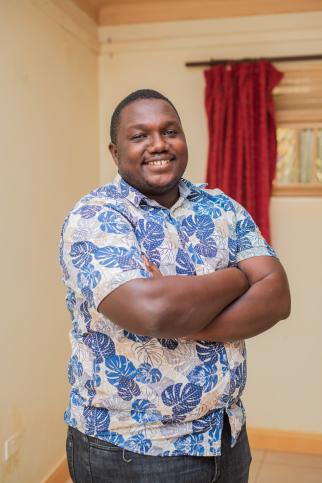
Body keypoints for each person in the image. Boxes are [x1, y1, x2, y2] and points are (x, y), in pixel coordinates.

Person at [60, 89, 290, 483]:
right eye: (140, 136)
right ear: (115, 153)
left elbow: (277, 296)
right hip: (133, 449)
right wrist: (237, 277)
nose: (158, 144)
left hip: (226, 437)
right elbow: (153, 312)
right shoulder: (96, 216)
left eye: (170, 131)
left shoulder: (222, 207)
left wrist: (186, 316)